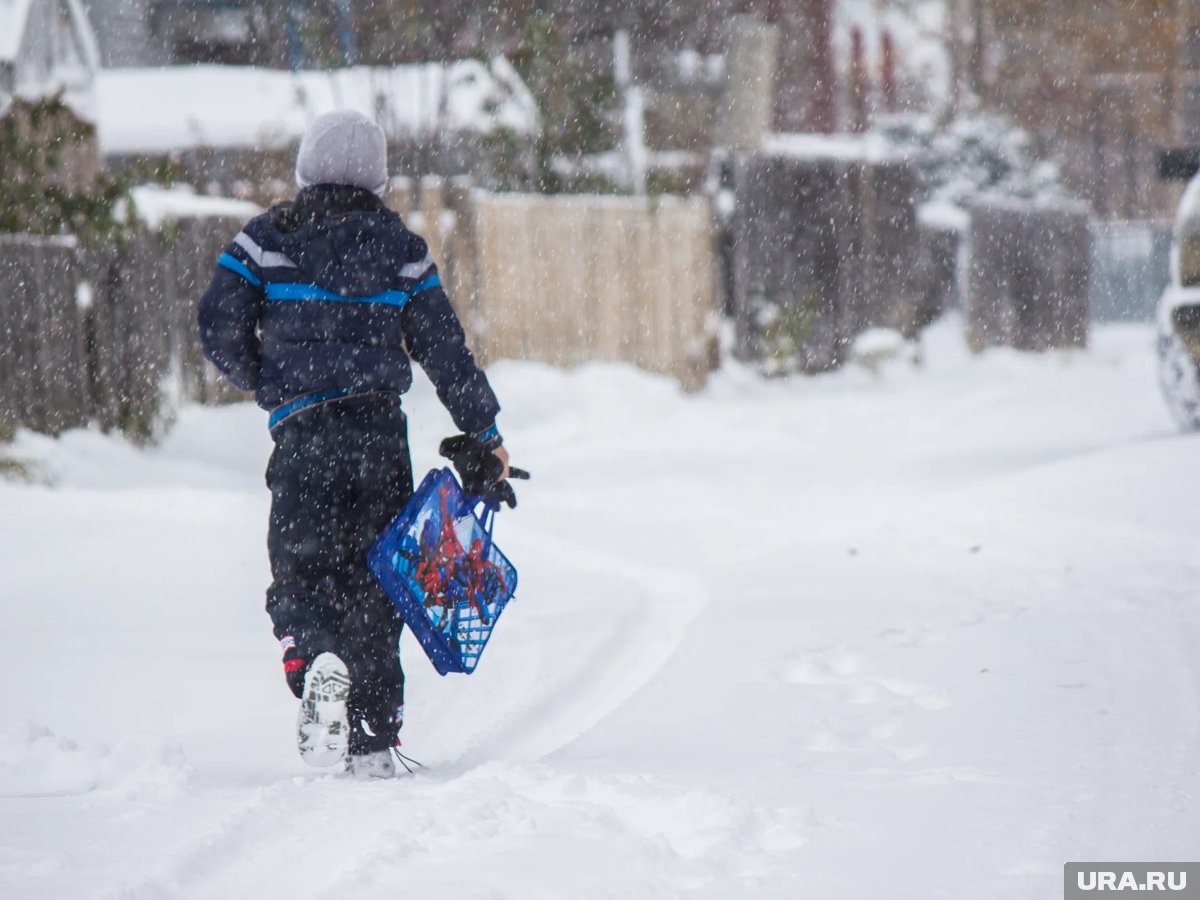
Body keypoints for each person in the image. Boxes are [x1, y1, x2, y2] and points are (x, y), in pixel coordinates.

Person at [197, 110, 517, 779]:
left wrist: (270, 383)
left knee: (301, 567)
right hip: (377, 436)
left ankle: (314, 657)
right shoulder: (400, 249)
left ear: (306, 167)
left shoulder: (264, 242)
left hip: (304, 435)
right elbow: (445, 350)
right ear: (379, 175)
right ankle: (372, 729)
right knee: (378, 580)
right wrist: (484, 434)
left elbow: (218, 322)